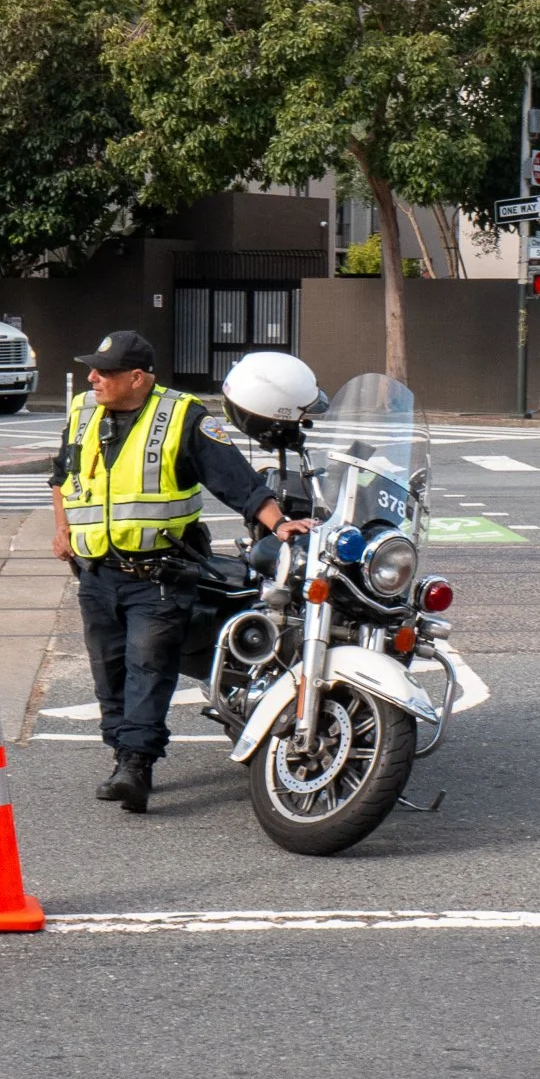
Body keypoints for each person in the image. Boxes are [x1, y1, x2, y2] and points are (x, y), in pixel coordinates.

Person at [51, 329, 311, 814]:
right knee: (108, 672)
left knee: (148, 669)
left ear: (137, 378)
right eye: (93, 370)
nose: (92, 378)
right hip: (96, 573)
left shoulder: (182, 416)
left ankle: (136, 766)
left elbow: (234, 478)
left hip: (161, 575)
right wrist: (62, 528)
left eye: (104, 372)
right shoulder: (84, 410)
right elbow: (62, 474)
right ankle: (120, 753)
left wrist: (279, 523)